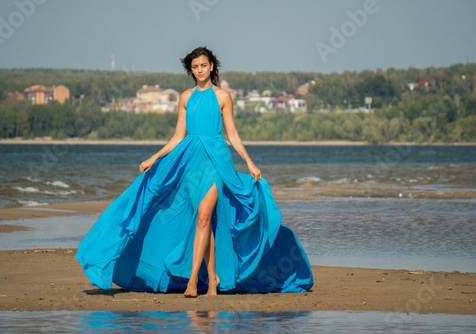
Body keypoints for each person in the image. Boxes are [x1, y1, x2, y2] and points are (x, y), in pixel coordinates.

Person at [75, 47, 313, 297]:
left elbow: (232, 135)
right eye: (195, 67)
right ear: (191, 70)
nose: (199, 70)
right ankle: (212, 279)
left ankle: (191, 281)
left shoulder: (223, 96)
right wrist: (154, 157)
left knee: (203, 215)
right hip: (190, 161)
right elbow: (178, 136)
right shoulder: (185, 98)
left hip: (216, 161)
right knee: (205, 221)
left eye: (203, 65)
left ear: (212, 66)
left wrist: (250, 163)